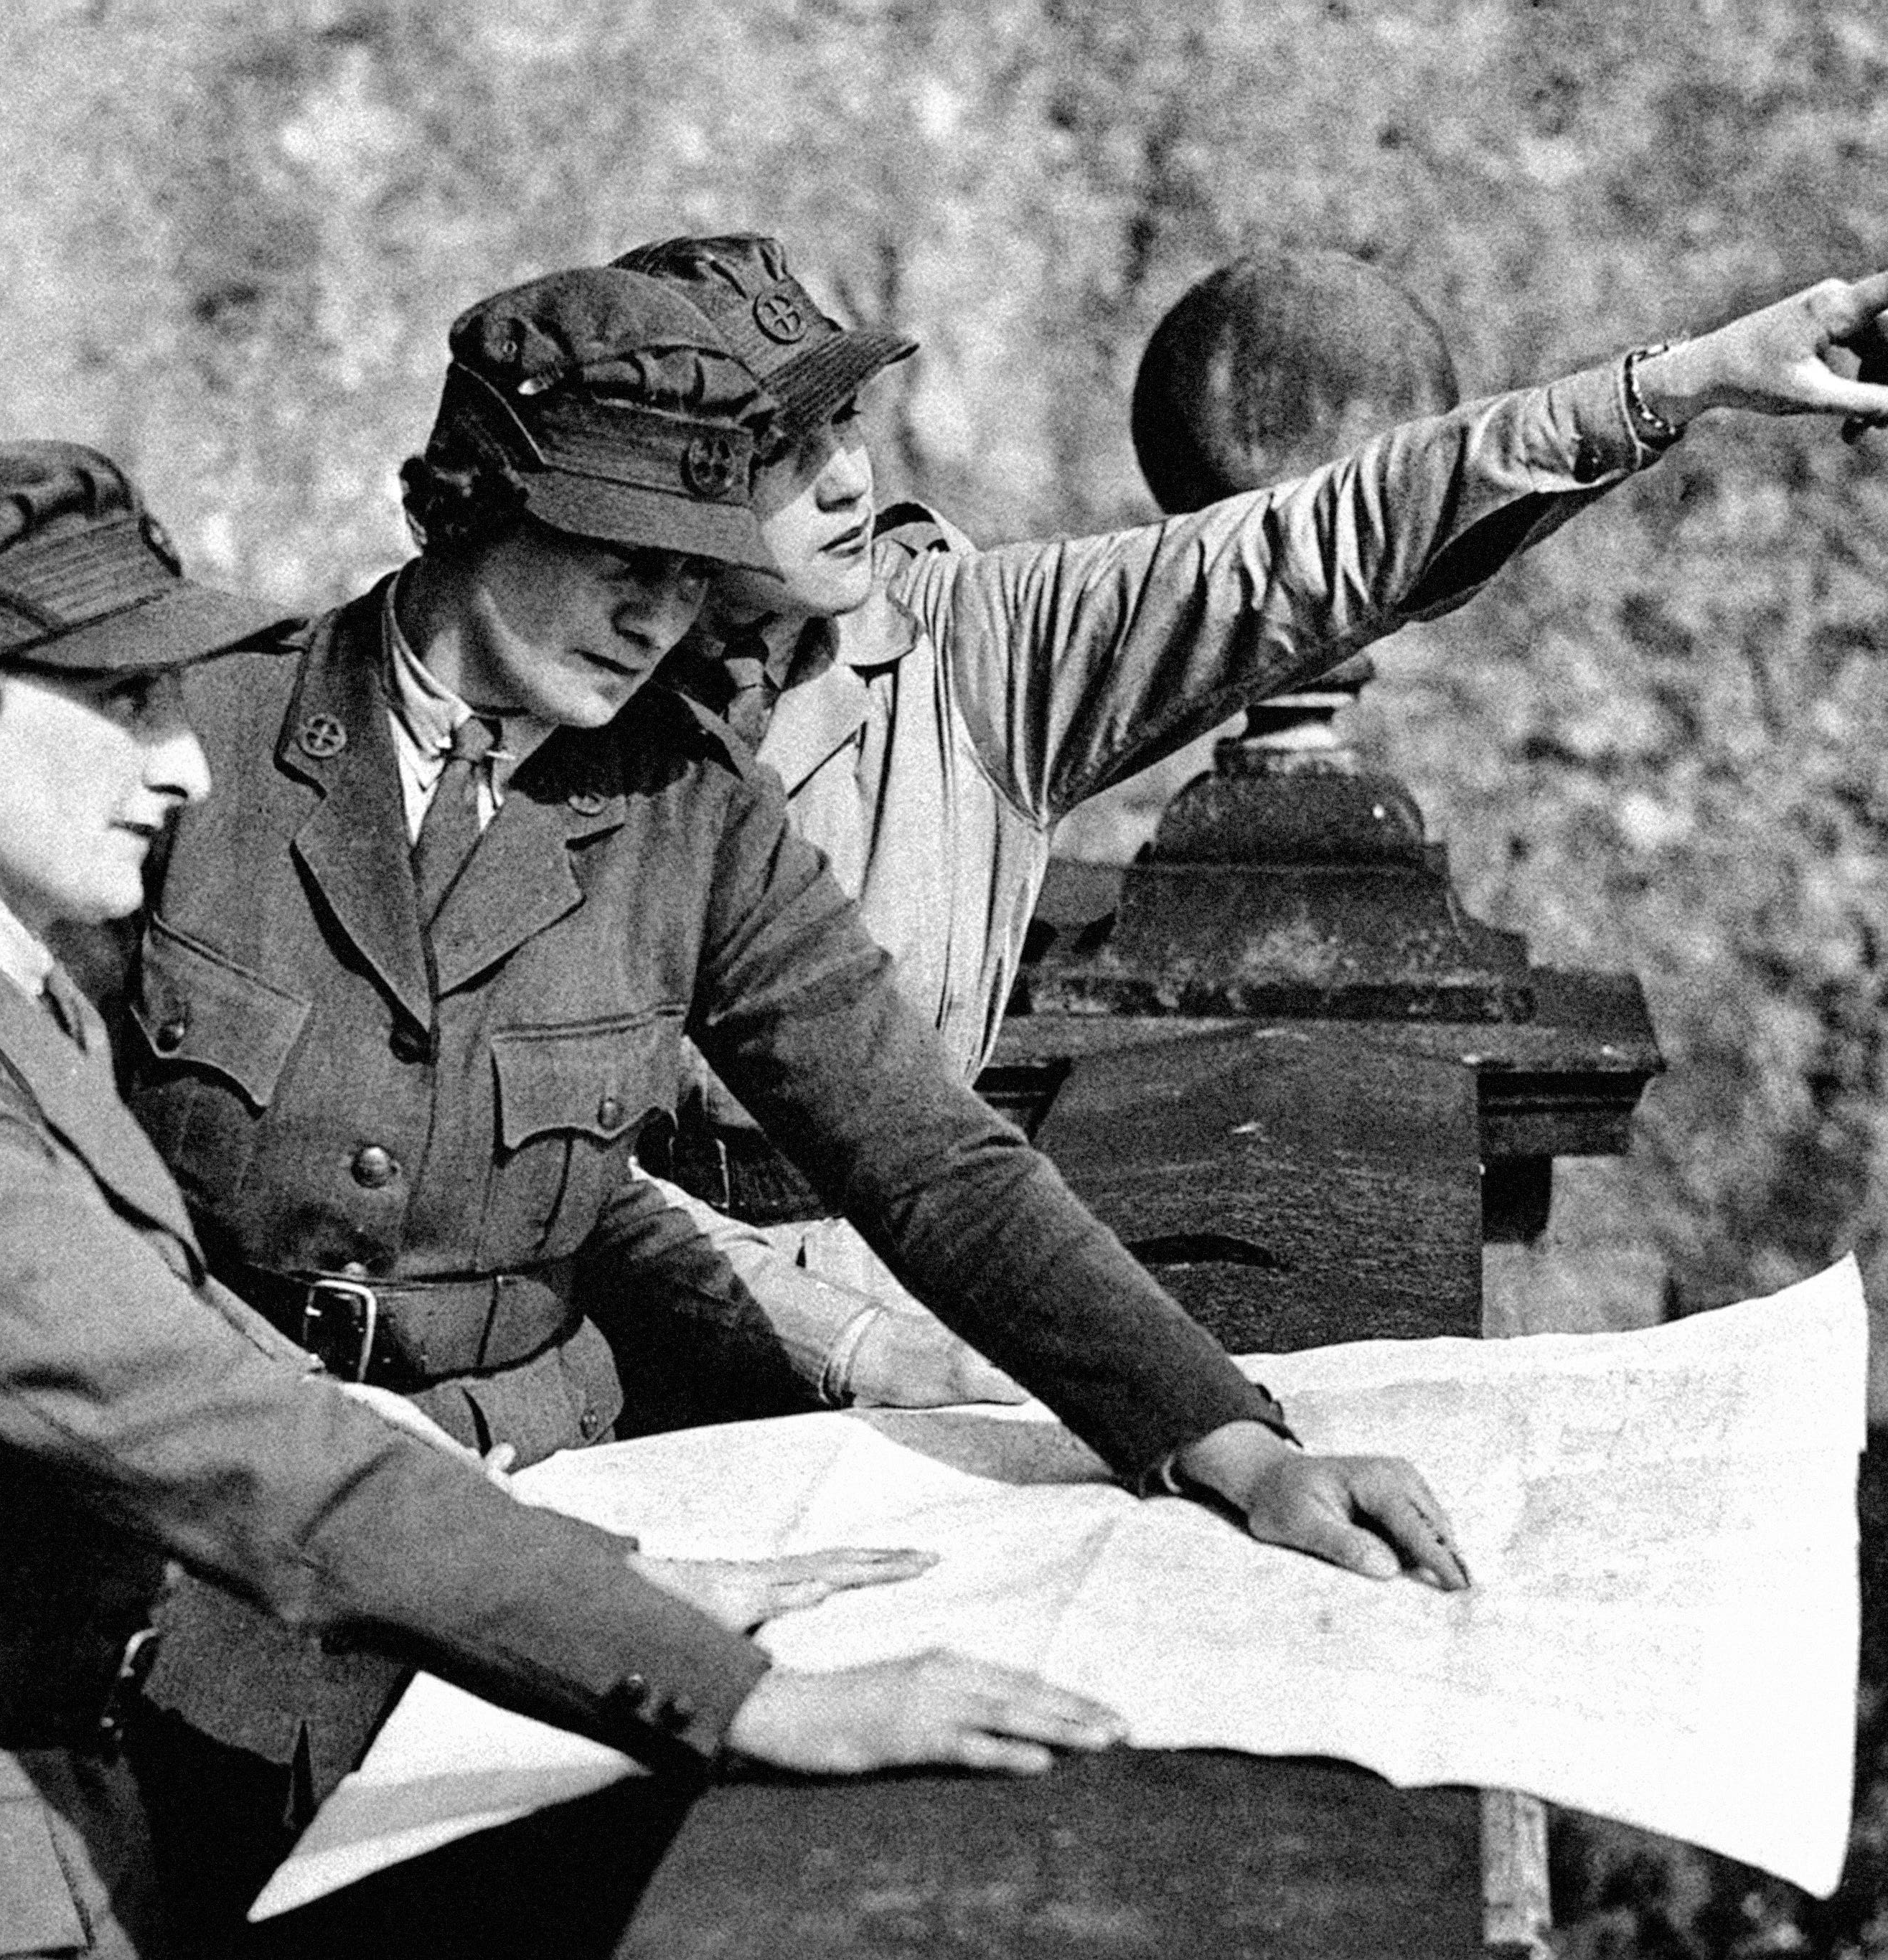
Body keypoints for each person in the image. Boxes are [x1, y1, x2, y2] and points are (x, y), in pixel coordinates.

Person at [0, 440, 1131, 1958]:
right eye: (124, 698)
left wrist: (604, 1582)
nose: (183, 758)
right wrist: (747, 1699)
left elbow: (190, 1335)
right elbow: (243, 1444)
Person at [118, 263, 1476, 1934]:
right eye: (618, 564)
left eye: (689, 580)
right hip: (187, 1593)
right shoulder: (197, 745)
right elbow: (59, 1188)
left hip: (556, 1581)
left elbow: (927, 1157)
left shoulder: (681, 806)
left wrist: (1224, 1442)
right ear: (466, 510)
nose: (655, 621)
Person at [606, 229, 1888, 1412]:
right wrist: (838, 1343)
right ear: (656, 489)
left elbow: (1323, 540)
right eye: (781, 449)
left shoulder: (968, 653)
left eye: (843, 422)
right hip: (633, 1335)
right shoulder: (563, 717)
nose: (846, 477)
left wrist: (1682, 384)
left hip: (933, 1308)